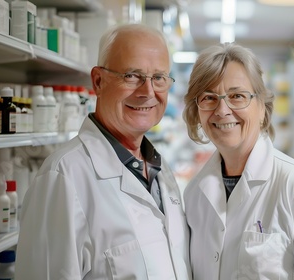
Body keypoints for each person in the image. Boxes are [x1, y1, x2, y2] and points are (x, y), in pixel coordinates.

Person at [16, 24, 191, 280]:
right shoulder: (63, 177)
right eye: (132, 75)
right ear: (98, 81)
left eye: (159, 78)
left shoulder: (161, 171)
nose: (148, 92)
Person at [182, 43, 294, 280]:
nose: (222, 110)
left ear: (262, 107)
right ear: (196, 110)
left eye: (237, 96)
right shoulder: (194, 195)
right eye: (209, 98)